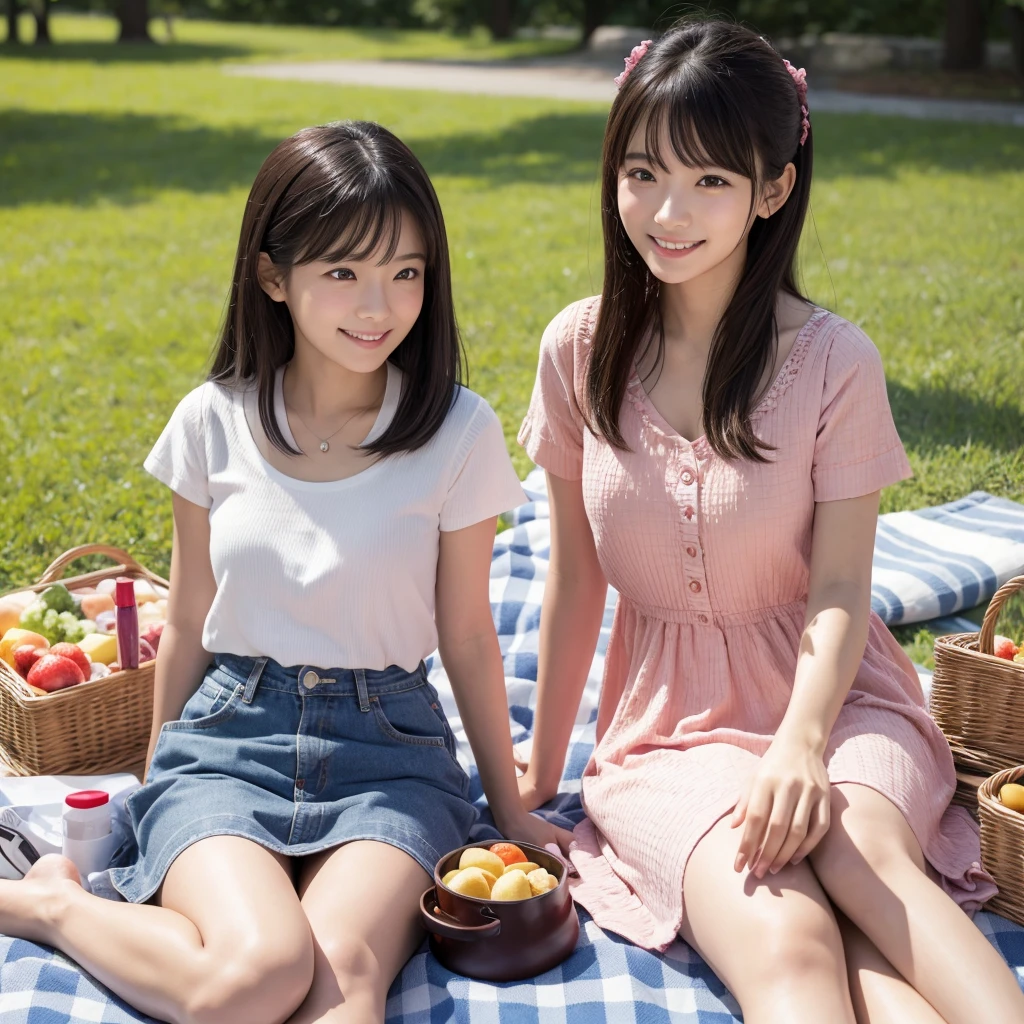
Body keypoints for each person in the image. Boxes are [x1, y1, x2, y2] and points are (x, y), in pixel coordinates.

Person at [0, 120, 571, 1024]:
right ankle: (56, 905)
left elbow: (467, 635)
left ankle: (69, 907)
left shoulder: (458, 432)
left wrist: (509, 809)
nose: (378, 305)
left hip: (392, 751)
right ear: (274, 277)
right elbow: (188, 615)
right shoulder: (211, 421)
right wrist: (154, 789)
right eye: (343, 272)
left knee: (341, 976)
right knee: (259, 972)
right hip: (230, 738)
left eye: (406, 272)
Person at [515, 21, 1024, 1024]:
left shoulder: (833, 361)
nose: (666, 211)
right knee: (793, 941)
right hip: (667, 733)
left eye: (710, 181)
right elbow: (575, 581)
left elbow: (840, 589)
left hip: (837, 703)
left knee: (860, 857)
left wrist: (798, 745)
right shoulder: (577, 350)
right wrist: (537, 768)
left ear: (773, 189)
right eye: (641, 171)